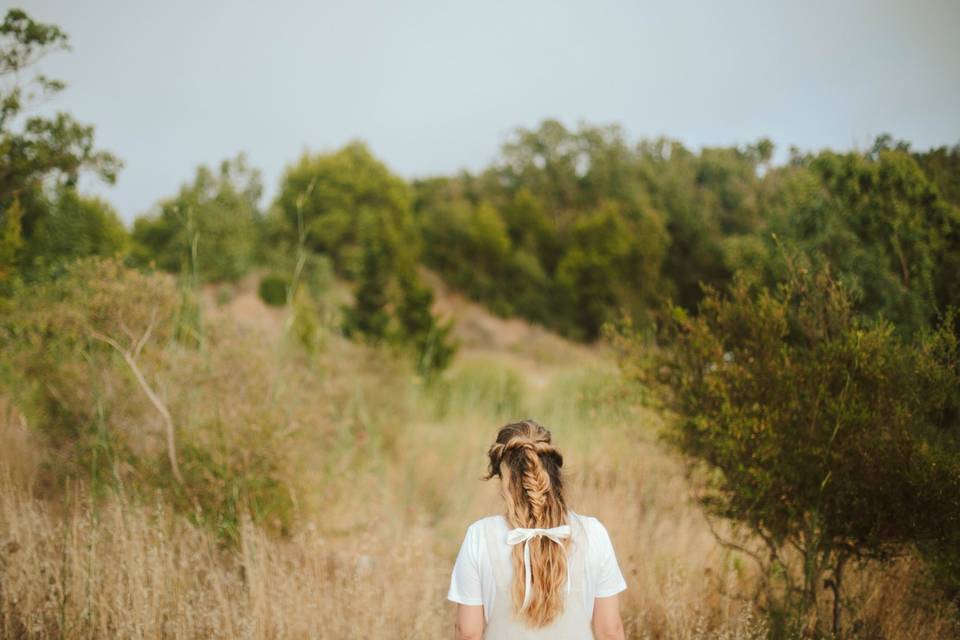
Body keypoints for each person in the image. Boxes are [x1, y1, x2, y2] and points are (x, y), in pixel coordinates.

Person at [447, 419, 627, 640]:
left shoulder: (479, 536)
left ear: (504, 479)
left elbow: (468, 633)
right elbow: (610, 631)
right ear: (552, 473)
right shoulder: (593, 533)